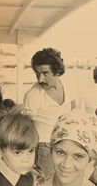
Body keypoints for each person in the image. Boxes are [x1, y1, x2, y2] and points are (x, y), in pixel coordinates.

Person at [23, 48, 74, 178]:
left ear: (57, 71)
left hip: (66, 144)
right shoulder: (33, 95)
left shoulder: (69, 86)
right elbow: (26, 129)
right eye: (37, 73)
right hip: (44, 148)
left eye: (45, 73)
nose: (40, 79)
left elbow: (74, 113)